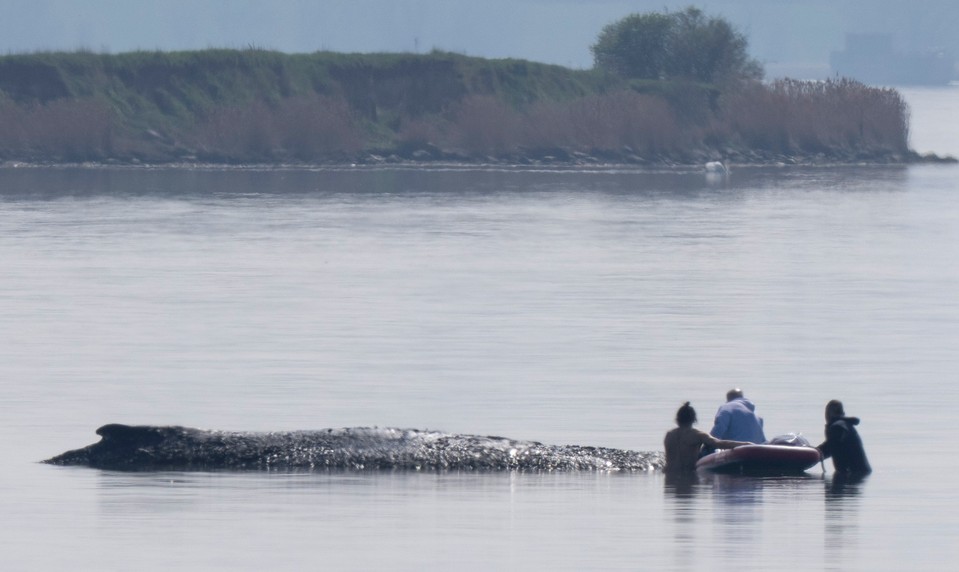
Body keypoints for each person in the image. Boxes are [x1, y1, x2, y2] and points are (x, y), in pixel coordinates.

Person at [664, 402, 749, 474]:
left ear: (677, 419)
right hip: (688, 473)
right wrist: (746, 444)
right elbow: (719, 443)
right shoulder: (697, 435)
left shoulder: (669, 435)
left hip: (668, 474)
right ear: (694, 419)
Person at [816, 399, 871, 475]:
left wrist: (814, 452)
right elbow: (831, 447)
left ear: (828, 414)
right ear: (843, 413)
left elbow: (832, 443)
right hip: (860, 474)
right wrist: (815, 452)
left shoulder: (837, 426)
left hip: (852, 476)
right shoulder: (845, 425)